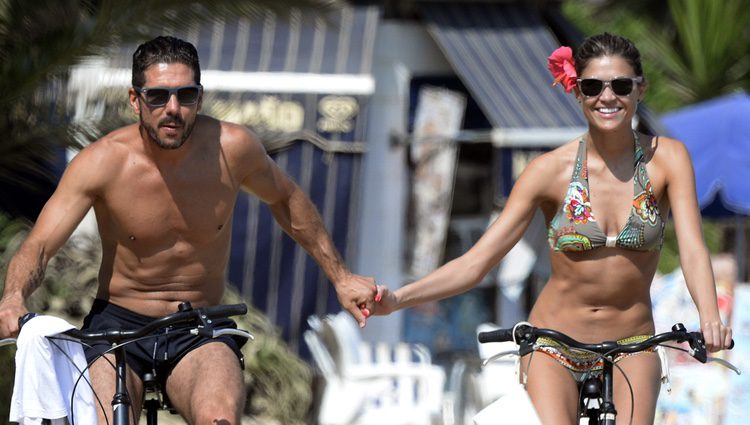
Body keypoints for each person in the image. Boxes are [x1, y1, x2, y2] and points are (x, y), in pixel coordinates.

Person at [0, 36, 377, 425]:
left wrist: (342, 277)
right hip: (117, 326)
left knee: (220, 419)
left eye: (186, 94)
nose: (173, 109)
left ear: (200, 96)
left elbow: (287, 200)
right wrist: (13, 297)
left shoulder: (232, 149)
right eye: (158, 96)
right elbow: (41, 244)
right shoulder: (102, 163)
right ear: (135, 100)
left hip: (200, 324)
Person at [371, 33, 732, 425]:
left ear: (640, 90)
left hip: (634, 342)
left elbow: (693, 247)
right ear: (576, 91)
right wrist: (397, 298)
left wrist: (709, 314)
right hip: (555, 344)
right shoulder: (548, 171)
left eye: (621, 86)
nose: (606, 97)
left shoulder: (668, 159)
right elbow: (477, 263)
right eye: (592, 86)